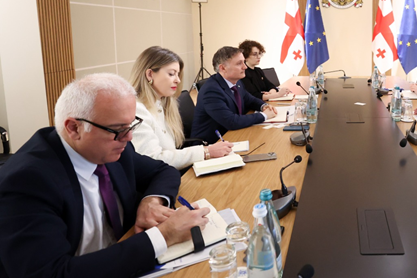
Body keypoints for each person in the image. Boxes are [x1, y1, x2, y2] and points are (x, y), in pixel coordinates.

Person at [0, 73, 210, 277]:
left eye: (131, 125)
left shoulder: (113, 147)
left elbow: (163, 171)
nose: (129, 137)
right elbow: (52, 272)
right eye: (118, 129)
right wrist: (164, 235)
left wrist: (151, 202)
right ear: (74, 128)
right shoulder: (26, 182)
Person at [130, 46, 233, 171]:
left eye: (178, 74)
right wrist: (206, 151)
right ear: (150, 74)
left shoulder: (162, 103)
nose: (178, 80)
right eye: (171, 74)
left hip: (171, 172)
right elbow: (153, 159)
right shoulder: (136, 110)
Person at [192, 46, 277, 143]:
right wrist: (264, 115)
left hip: (232, 135)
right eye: (239, 63)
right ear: (223, 68)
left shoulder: (237, 82)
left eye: (244, 62)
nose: (245, 67)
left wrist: (264, 106)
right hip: (212, 143)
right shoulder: (211, 91)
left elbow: (250, 100)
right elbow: (231, 121)